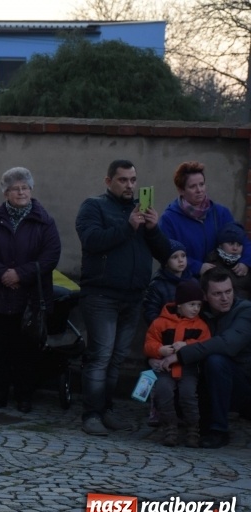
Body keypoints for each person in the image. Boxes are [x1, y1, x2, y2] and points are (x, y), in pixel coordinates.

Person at [76, 159, 170, 437]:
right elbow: (92, 241)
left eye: (133, 180)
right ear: (108, 181)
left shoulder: (141, 211)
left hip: (133, 297)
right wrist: (128, 227)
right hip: (101, 295)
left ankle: (106, 410)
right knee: (100, 356)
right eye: (123, 180)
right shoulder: (93, 206)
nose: (129, 185)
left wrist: (153, 229)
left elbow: (165, 254)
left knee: (116, 359)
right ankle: (91, 414)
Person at [0, 167, 61, 413]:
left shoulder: (44, 221)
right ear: (6, 193)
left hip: (29, 298)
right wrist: (2, 273)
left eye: (25, 187)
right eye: (15, 188)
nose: (21, 192)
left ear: (31, 190)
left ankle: (24, 396)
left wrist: (20, 275)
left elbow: (51, 256)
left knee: (26, 350)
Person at [159, 268, 251, 448]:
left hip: (242, 383)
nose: (225, 298)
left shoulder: (245, 310)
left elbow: (228, 344)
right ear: (206, 296)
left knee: (216, 361)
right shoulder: (197, 311)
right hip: (206, 378)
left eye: (228, 291)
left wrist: (184, 352)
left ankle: (219, 430)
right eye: (217, 294)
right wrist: (161, 353)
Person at [143, 278, 210, 447]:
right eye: (191, 304)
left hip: (188, 370)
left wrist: (187, 345)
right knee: (163, 393)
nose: (196, 309)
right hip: (165, 369)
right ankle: (170, 427)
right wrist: (159, 350)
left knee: (189, 396)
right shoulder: (160, 322)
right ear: (179, 304)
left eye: (198, 305)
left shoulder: (201, 326)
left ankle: (193, 429)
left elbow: (205, 344)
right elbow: (149, 343)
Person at [158, 160, 251, 278]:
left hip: (220, 283)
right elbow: (165, 254)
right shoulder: (169, 219)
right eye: (193, 186)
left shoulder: (221, 213)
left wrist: (246, 262)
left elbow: (243, 240)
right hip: (187, 284)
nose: (199, 190)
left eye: (202, 184)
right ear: (181, 190)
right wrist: (197, 267)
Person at [141, 239, 195, 427]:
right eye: (175, 257)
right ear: (165, 262)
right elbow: (150, 311)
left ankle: (176, 409)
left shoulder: (191, 281)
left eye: (183, 256)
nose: (181, 260)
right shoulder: (157, 284)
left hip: (184, 337)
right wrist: (162, 330)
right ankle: (148, 404)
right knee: (152, 368)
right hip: (160, 336)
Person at [204, 222, 251, 299]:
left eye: (239, 244)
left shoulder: (246, 265)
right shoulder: (212, 262)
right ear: (221, 244)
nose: (235, 248)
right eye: (231, 243)